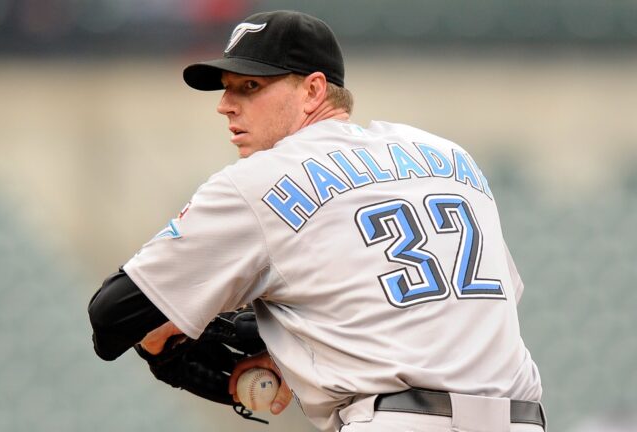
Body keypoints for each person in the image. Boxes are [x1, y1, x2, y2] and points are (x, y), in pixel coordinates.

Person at [88, 10, 545, 432]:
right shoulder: (448, 155)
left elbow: (112, 314)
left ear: (312, 90)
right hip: (522, 421)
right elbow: (474, 303)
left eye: (250, 87)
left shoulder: (260, 180)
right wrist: (288, 337)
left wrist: (173, 342)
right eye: (226, 87)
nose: (225, 105)